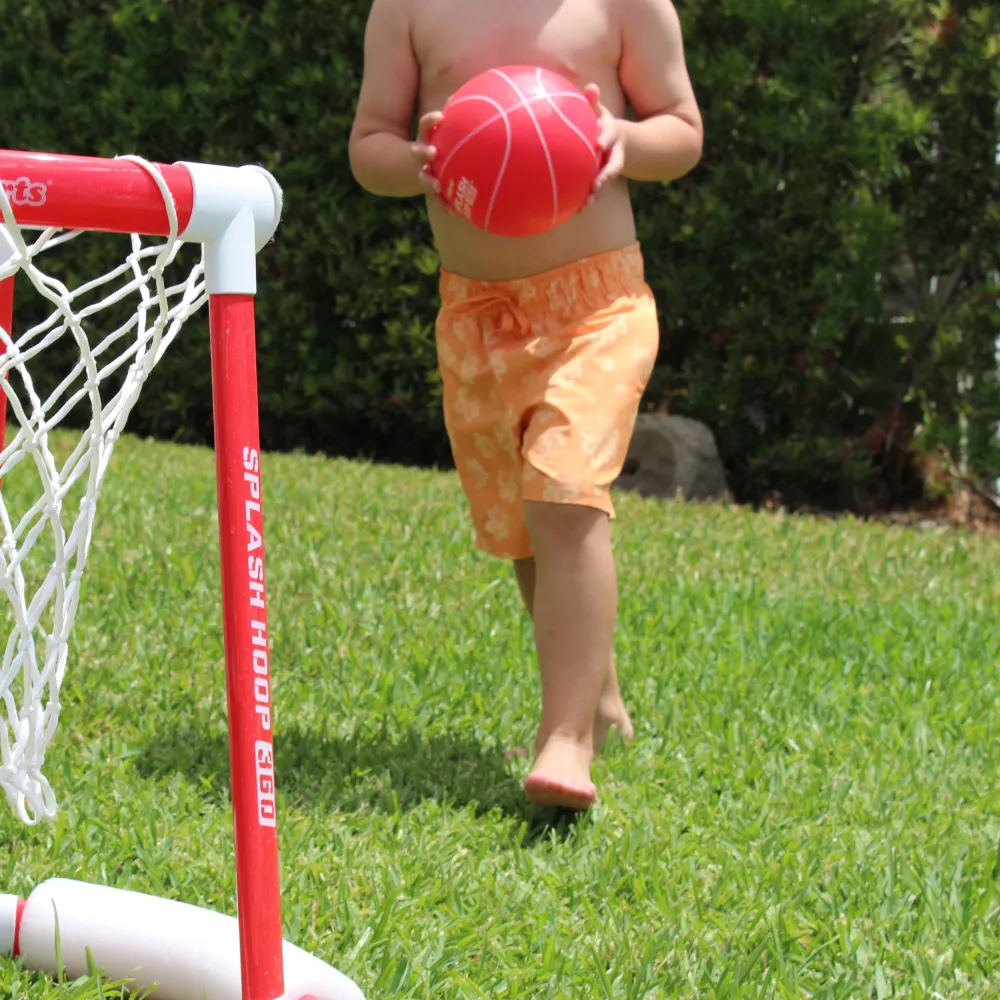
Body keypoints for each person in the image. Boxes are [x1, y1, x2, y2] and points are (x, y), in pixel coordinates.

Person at [349, 0, 703, 810]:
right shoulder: (408, 9)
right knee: (521, 520)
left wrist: (625, 139)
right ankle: (601, 703)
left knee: (563, 491)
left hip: (595, 305)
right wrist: (420, 160)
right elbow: (370, 146)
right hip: (478, 314)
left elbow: (681, 131)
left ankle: (567, 737)